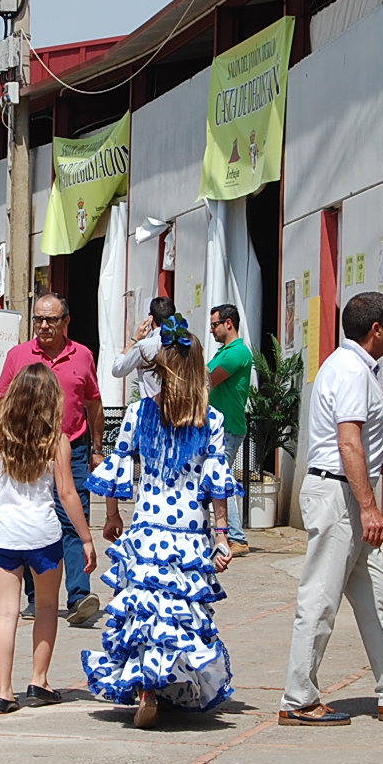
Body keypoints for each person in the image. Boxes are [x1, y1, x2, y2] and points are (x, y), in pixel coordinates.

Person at [278, 292, 383, 727]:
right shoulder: (352, 372)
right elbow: (348, 443)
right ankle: (298, 698)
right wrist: (369, 508)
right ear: (376, 330)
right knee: (320, 599)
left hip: (345, 493)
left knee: (378, 597)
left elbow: (362, 449)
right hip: (339, 498)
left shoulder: (354, 368)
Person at [83, 315, 235, 729]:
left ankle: (148, 686)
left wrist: (113, 515)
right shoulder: (211, 421)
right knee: (179, 612)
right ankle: (166, 685)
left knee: (146, 609)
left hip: (147, 527)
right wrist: (222, 537)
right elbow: (216, 484)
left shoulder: (137, 414)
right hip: (188, 531)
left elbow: (118, 469)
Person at [0, 364, 95, 714]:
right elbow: (68, 494)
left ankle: (4, 691)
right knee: (45, 607)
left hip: (3, 534)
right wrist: (86, 538)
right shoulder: (56, 442)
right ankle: (39, 680)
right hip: (43, 534)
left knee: (5, 612)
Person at [0, 293, 106, 625]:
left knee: (73, 516)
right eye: (38, 319)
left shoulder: (83, 355)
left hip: (74, 447)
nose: (43, 325)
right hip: (28, 451)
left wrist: (97, 449)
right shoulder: (18, 355)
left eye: (51, 319)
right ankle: (33, 596)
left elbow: (94, 404)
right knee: (29, 520)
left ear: (66, 322)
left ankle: (79, 596)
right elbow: (0, 400)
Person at [207, 303, 253, 557]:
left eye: (215, 324)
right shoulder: (223, 352)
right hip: (219, 427)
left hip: (228, 427)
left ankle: (235, 536)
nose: (212, 330)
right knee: (220, 478)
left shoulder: (236, 353)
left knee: (221, 479)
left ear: (229, 323)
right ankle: (231, 533)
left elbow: (208, 379)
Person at [110, 296, 175, 400]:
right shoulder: (187, 343)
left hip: (151, 409)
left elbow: (118, 369)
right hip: (181, 409)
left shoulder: (144, 346)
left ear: (151, 318)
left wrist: (135, 339)